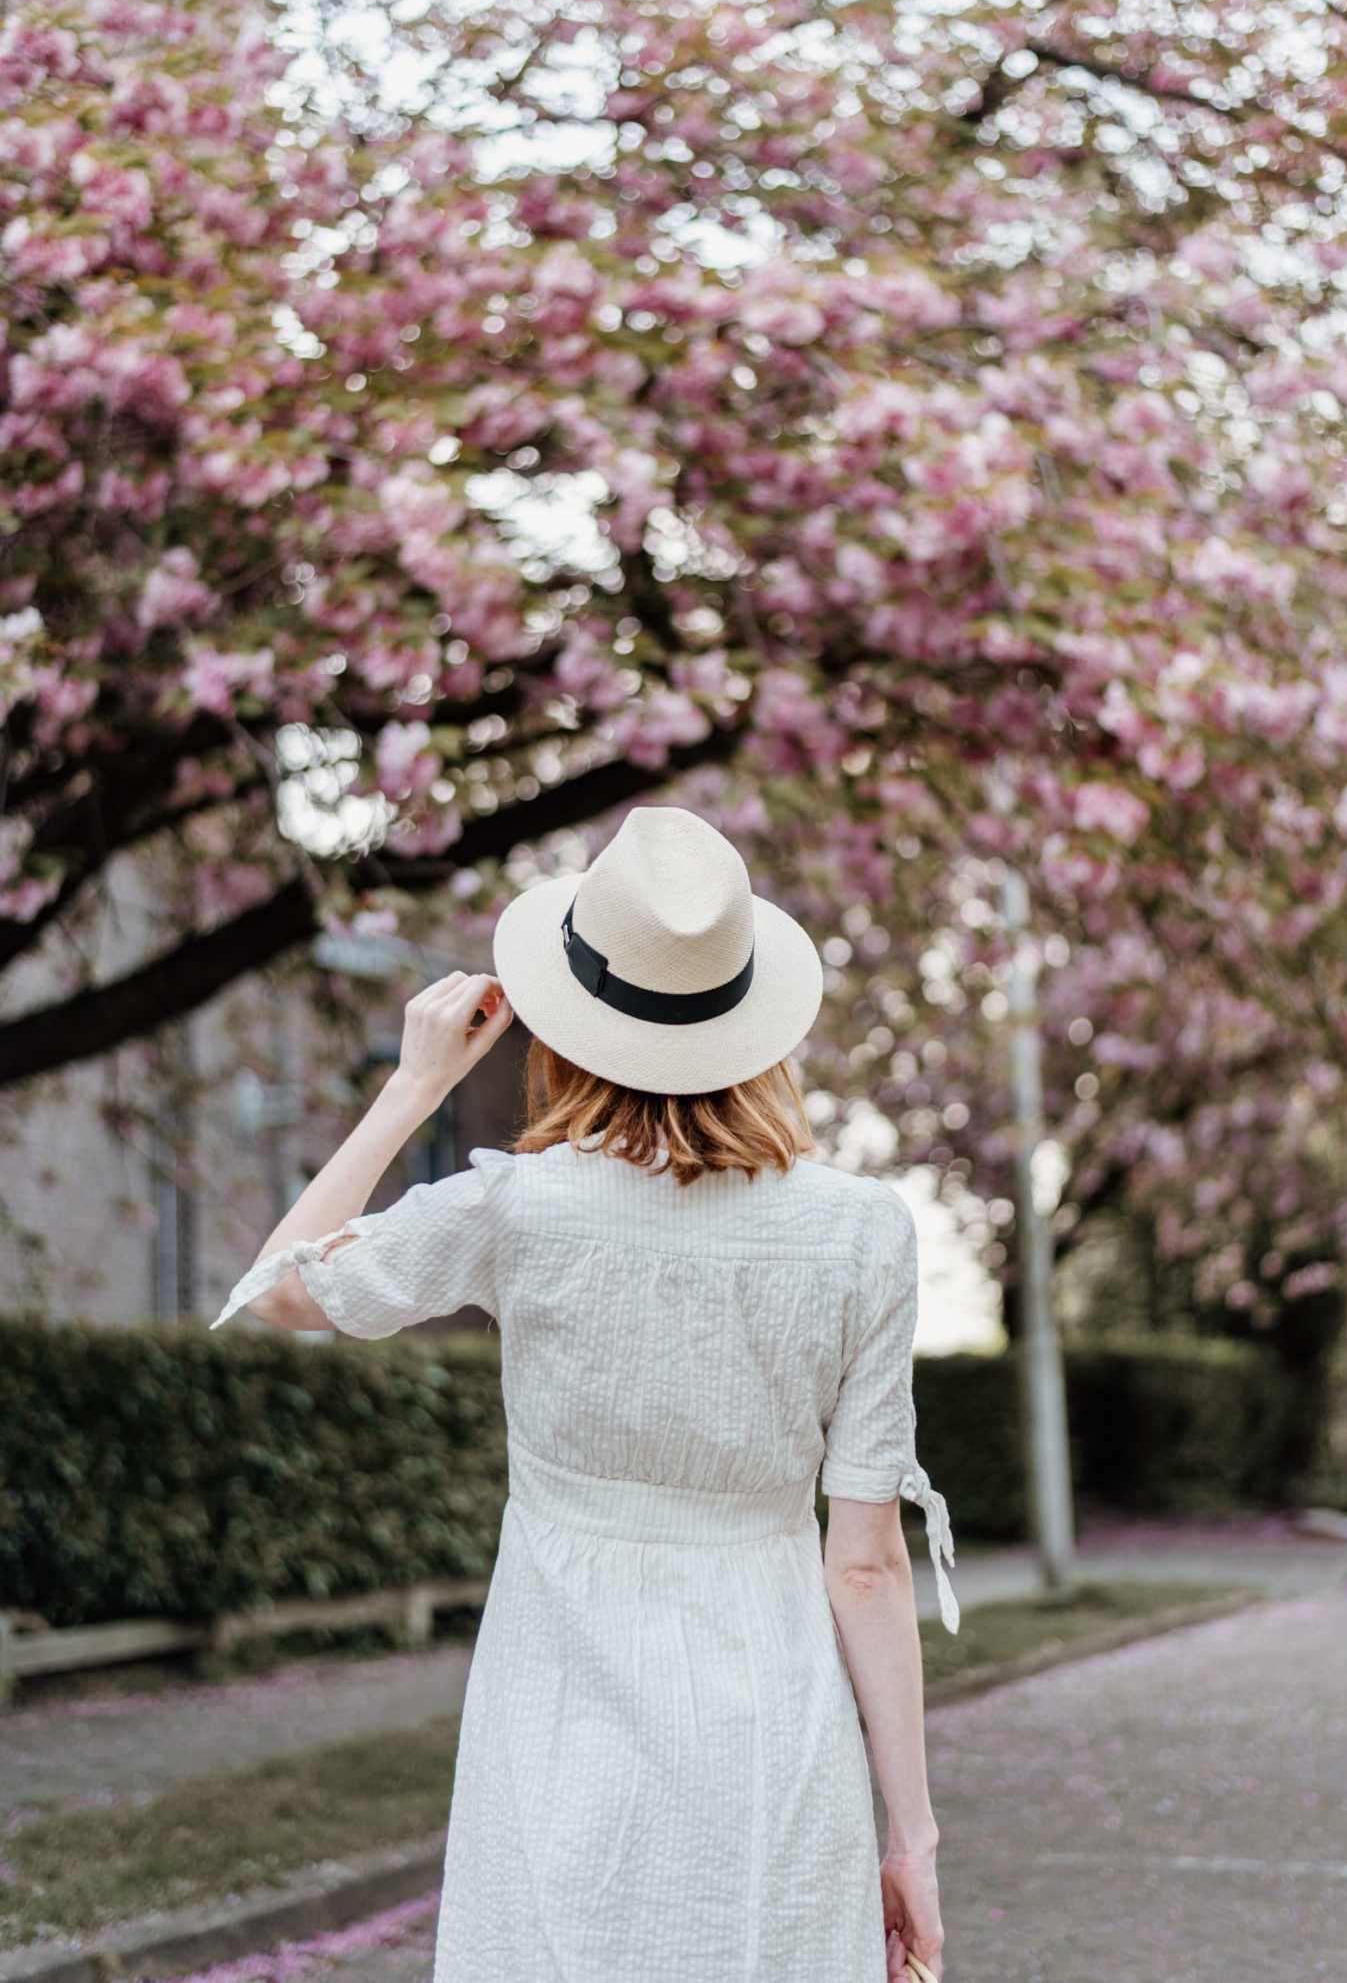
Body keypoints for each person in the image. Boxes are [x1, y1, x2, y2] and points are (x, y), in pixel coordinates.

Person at [214, 806, 957, 1983]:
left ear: (573, 1019)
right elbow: (863, 1564)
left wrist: (414, 1087)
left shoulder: (516, 1209)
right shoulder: (862, 1233)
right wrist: (911, 1834)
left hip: (557, 1724)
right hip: (775, 1735)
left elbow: (285, 1292)